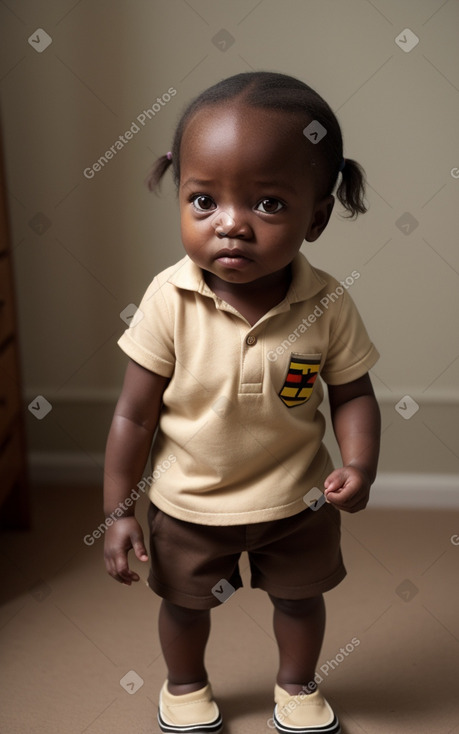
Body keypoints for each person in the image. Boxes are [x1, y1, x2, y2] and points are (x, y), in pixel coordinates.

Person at [103, 71, 381, 734]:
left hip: (297, 497)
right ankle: (186, 684)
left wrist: (360, 463)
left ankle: (296, 684)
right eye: (203, 201)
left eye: (267, 204)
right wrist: (116, 510)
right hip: (191, 501)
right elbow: (132, 416)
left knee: (300, 599)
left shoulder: (326, 303)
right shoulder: (170, 299)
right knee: (185, 604)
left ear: (315, 214)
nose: (230, 224)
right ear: (179, 195)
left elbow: (352, 394)